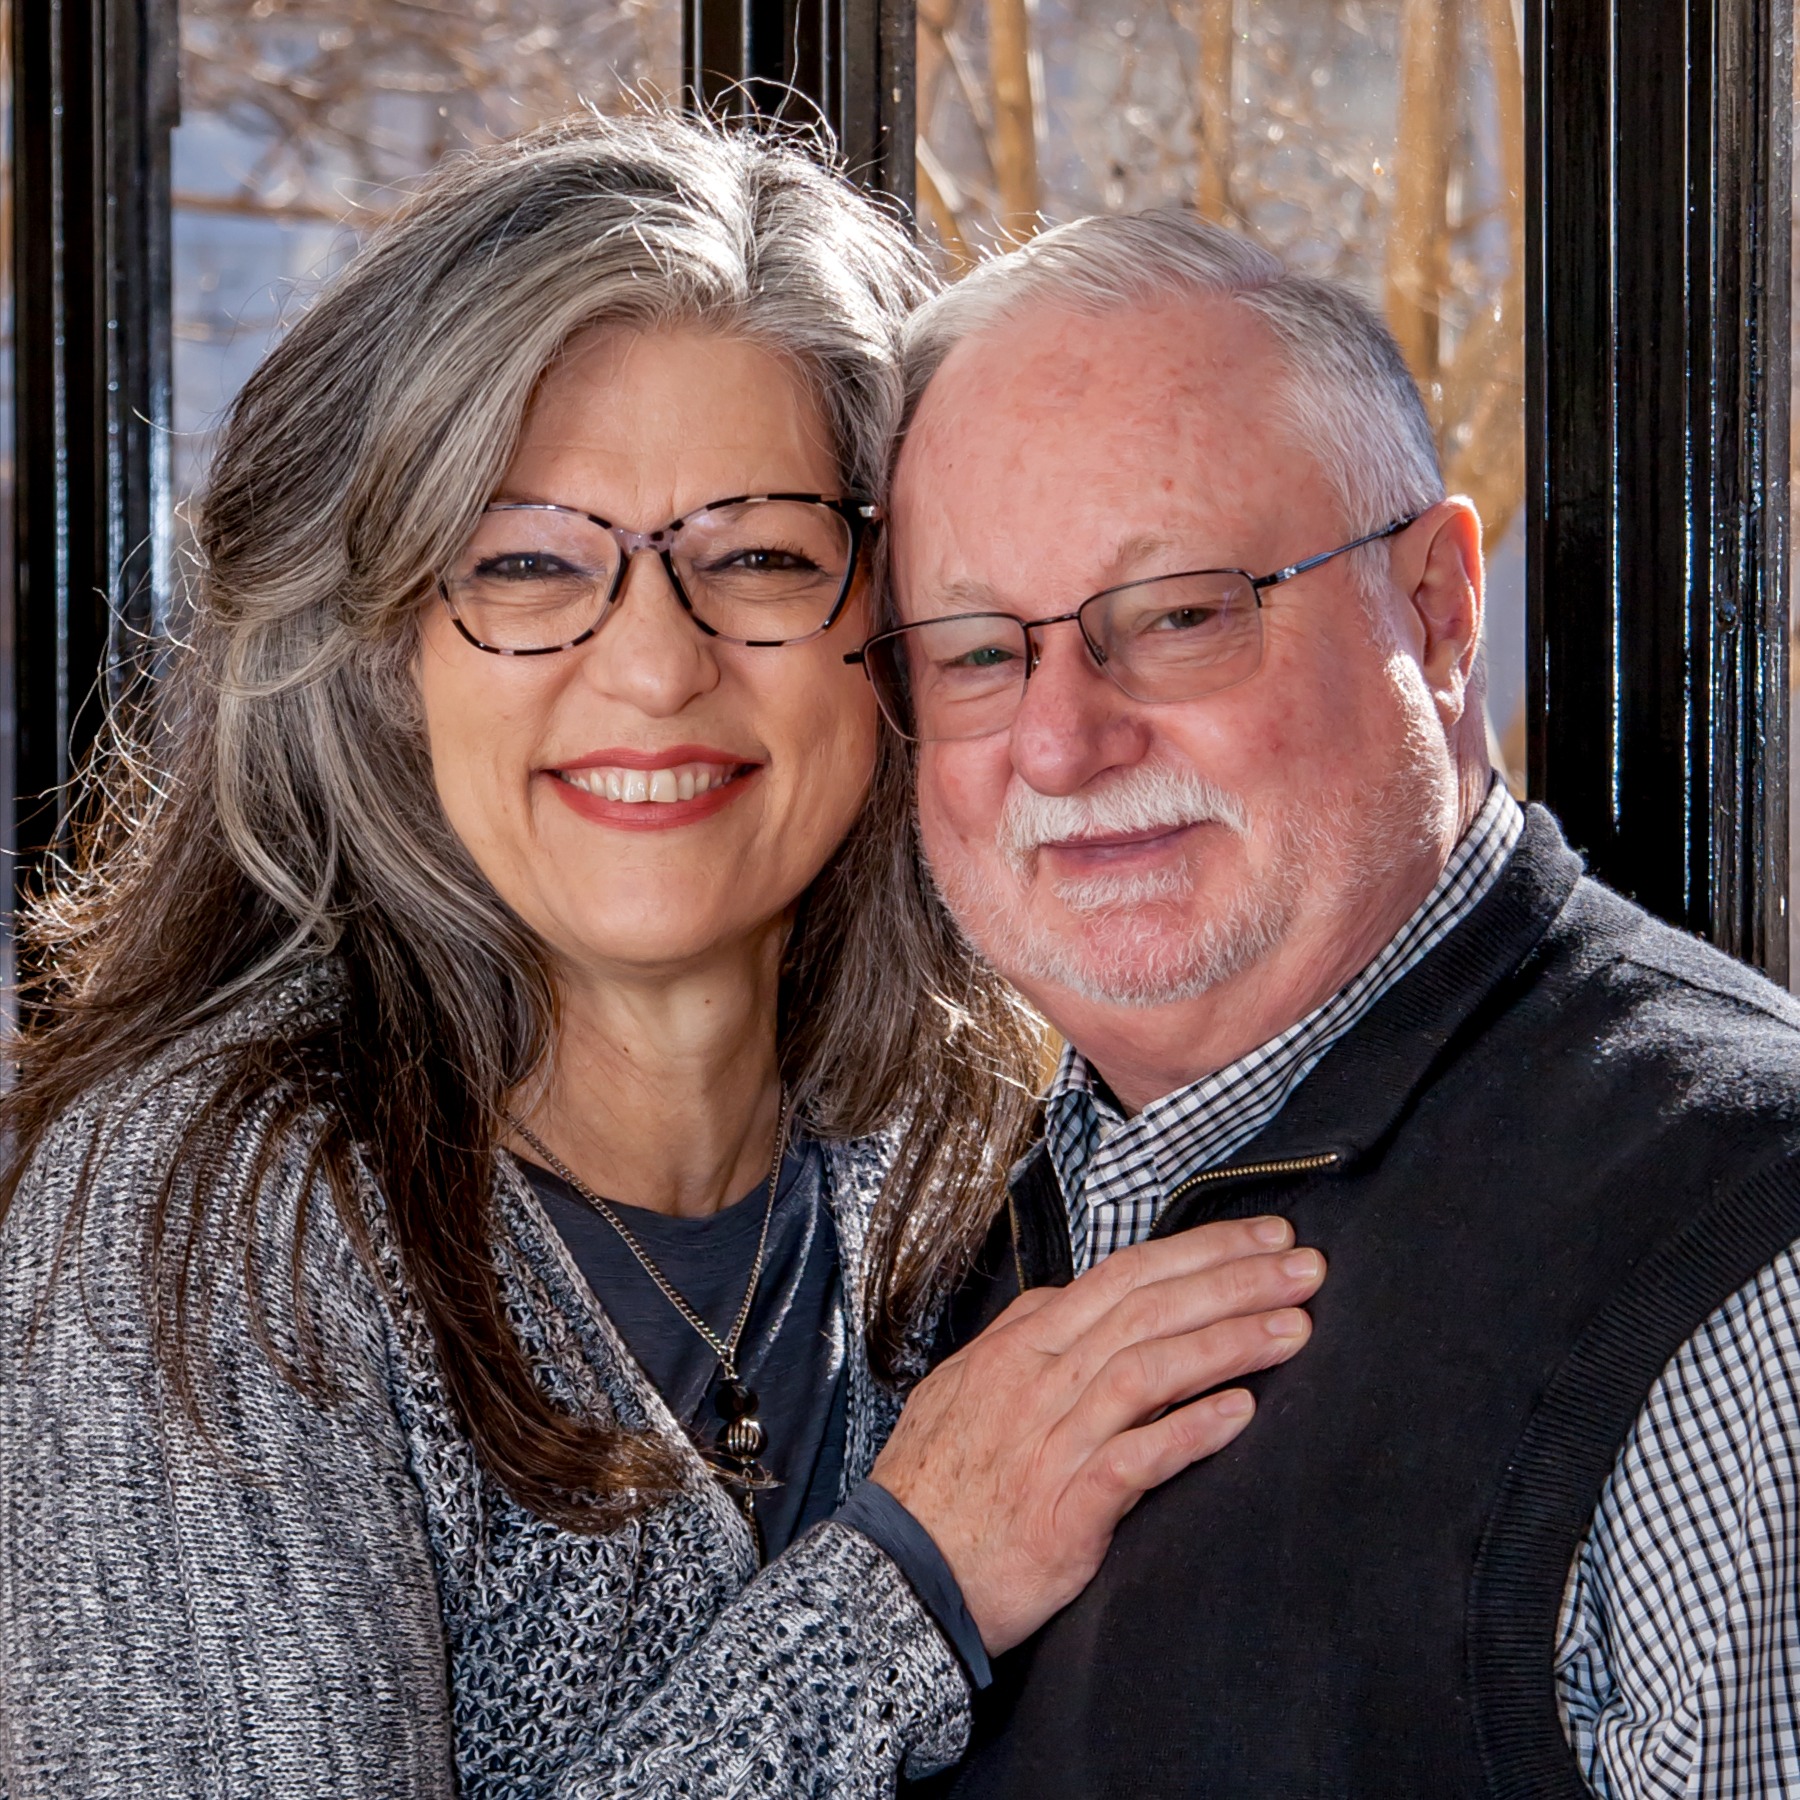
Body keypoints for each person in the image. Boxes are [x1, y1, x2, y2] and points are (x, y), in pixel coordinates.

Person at [0, 127, 1329, 1799]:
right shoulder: (207, 1224)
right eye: (528, 564)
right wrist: (907, 1589)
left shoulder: (996, 1138)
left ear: (893, 622)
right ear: (385, 654)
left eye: (761, 557)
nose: (651, 666)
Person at [866, 208, 1800, 1799]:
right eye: (973, 655)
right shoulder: (921, 1242)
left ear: (1437, 609)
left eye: (1175, 617)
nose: (1059, 742)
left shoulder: (1742, 1257)